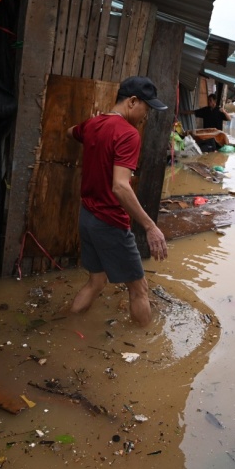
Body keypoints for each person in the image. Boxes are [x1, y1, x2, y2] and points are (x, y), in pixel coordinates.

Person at [65, 76, 169, 327]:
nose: (147, 115)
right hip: (110, 221)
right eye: (147, 107)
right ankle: (145, 346)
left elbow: (70, 132)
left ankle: (66, 326)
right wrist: (150, 227)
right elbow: (120, 186)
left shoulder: (93, 124)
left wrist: (98, 128)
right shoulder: (128, 134)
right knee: (139, 289)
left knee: (96, 281)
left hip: (87, 217)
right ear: (133, 101)